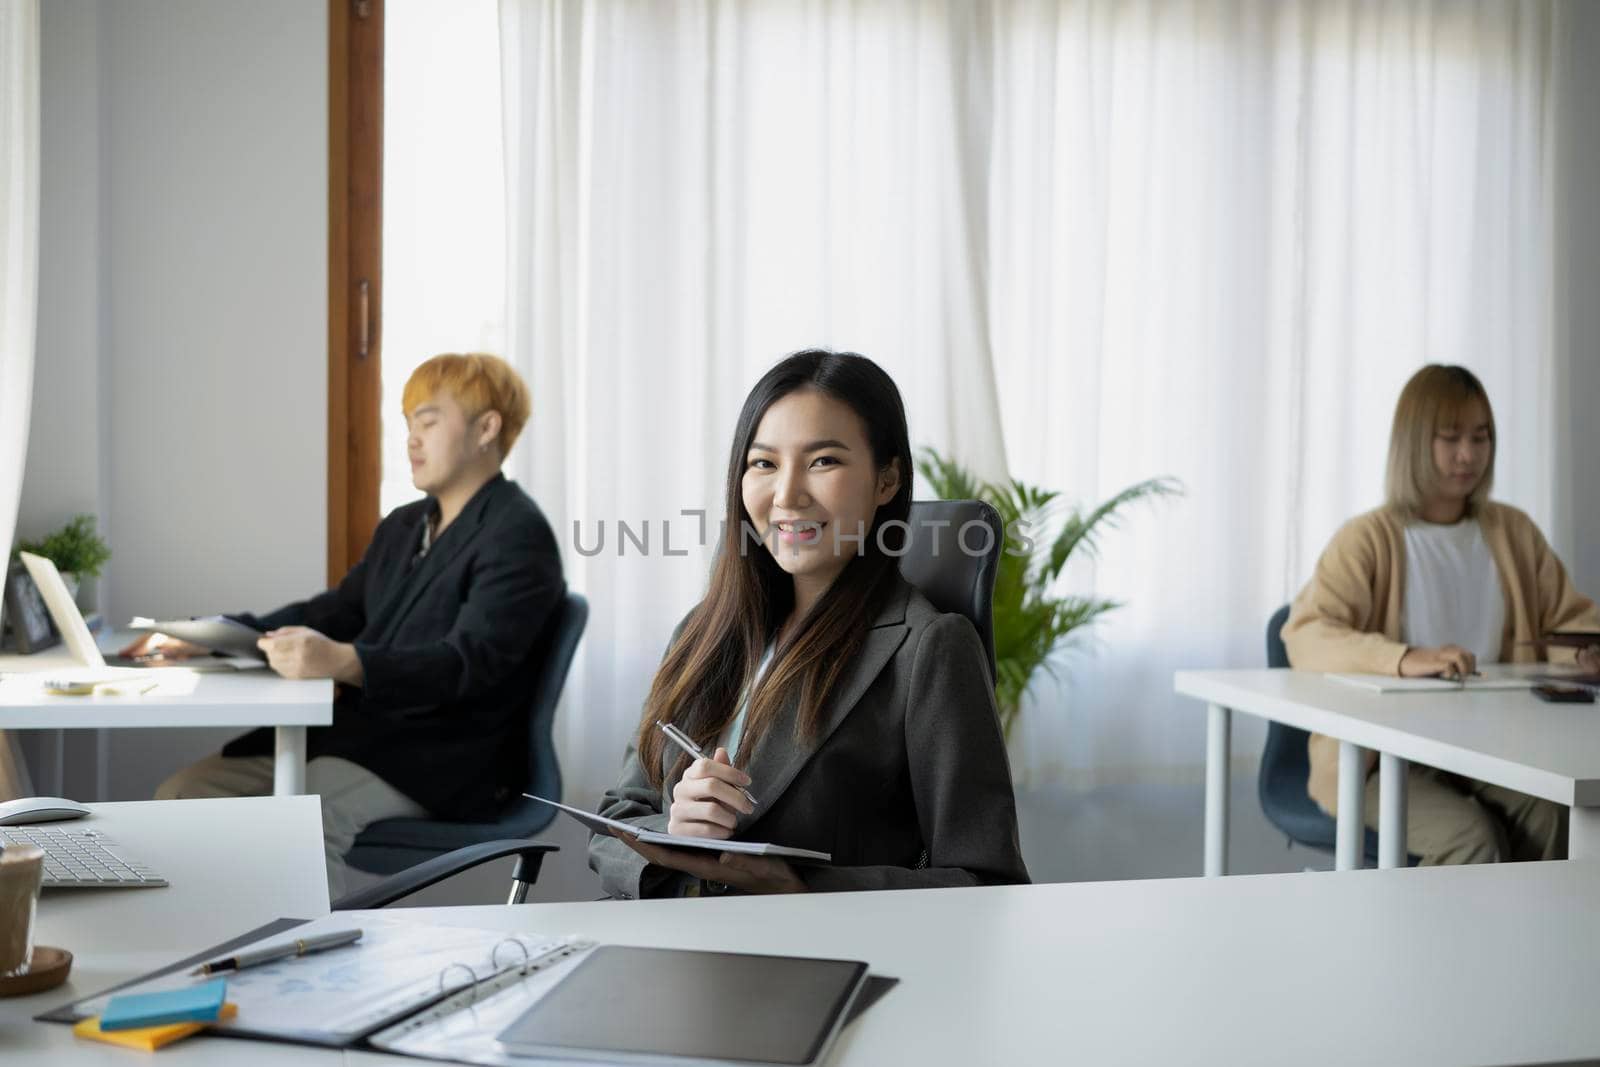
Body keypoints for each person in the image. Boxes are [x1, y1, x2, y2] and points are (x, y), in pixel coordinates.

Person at [589, 349, 1029, 898]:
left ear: (887, 479)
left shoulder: (929, 649)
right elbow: (617, 820)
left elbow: (987, 882)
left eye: (823, 461)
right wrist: (676, 833)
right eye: (764, 463)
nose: (787, 496)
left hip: (813, 964)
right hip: (668, 954)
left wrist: (797, 885)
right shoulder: (703, 631)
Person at [147, 353, 565, 897]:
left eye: (429, 421)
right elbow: (335, 613)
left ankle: (310, 971)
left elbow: (468, 663)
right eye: (408, 423)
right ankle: (203, 948)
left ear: (487, 428)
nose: (412, 438)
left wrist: (348, 661)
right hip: (366, 738)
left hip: (446, 756)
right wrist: (215, 634)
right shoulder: (406, 525)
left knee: (305, 815)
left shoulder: (517, 534)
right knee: (182, 797)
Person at [1283, 364, 1600, 865]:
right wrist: (1403, 658)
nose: (1468, 454)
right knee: (1469, 837)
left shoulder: (1513, 532)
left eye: (1481, 437)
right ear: (1413, 442)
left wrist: (1586, 654)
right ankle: (1440, 946)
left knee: (1553, 815)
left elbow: (1573, 621)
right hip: (1380, 763)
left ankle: (1537, 945)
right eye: (1450, 437)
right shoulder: (1368, 538)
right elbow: (1304, 633)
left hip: (1490, 751)